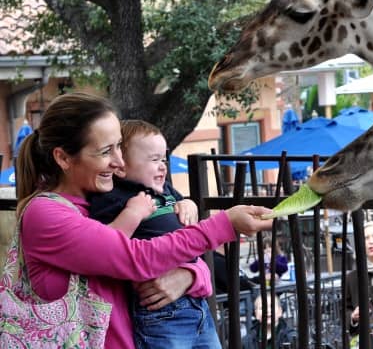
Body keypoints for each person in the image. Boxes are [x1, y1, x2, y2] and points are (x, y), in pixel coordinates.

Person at [16, 92, 273, 348]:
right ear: (63, 158)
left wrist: (190, 275)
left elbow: (183, 259)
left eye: (119, 146)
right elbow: (136, 258)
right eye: (106, 151)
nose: (119, 162)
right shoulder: (47, 214)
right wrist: (225, 224)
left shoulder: (112, 201)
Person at [87, 119, 218, 348]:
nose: (162, 166)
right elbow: (105, 245)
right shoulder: (114, 197)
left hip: (197, 304)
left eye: (163, 159)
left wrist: (189, 203)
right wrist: (132, 214)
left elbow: (182, 203)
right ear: (122, 166)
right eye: (154, 160)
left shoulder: (164, 189)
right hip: (159, 311)